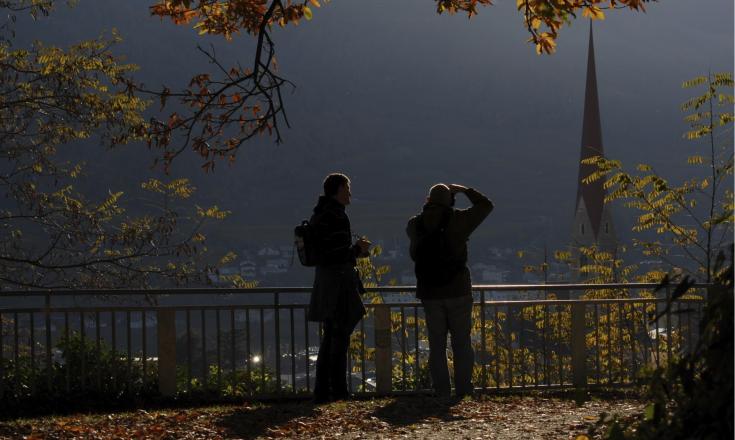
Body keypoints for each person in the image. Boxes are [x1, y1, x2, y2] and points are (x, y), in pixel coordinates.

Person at [406, 183, 493, 398]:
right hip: (458, 291)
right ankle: (463, 389)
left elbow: (420, 235)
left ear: (428, 200)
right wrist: (465, 190)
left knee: (436, 345)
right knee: (462, 343)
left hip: (430, 293)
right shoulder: (459, 221)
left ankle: (441, 390)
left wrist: (431, 205)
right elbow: (486, 205)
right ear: (450, 201)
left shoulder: (414, 225)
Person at [308, 173, 371, 403]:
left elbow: (325, 253)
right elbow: (337, 254)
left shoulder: (319, 214)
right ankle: (339, 390)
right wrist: (356, 249)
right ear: (338, 190)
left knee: (330, 338)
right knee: (340, 337)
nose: (350, 193)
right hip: (339, 285)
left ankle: (323, 389)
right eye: (347, 188)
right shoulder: (336, 216)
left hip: (325, 283)